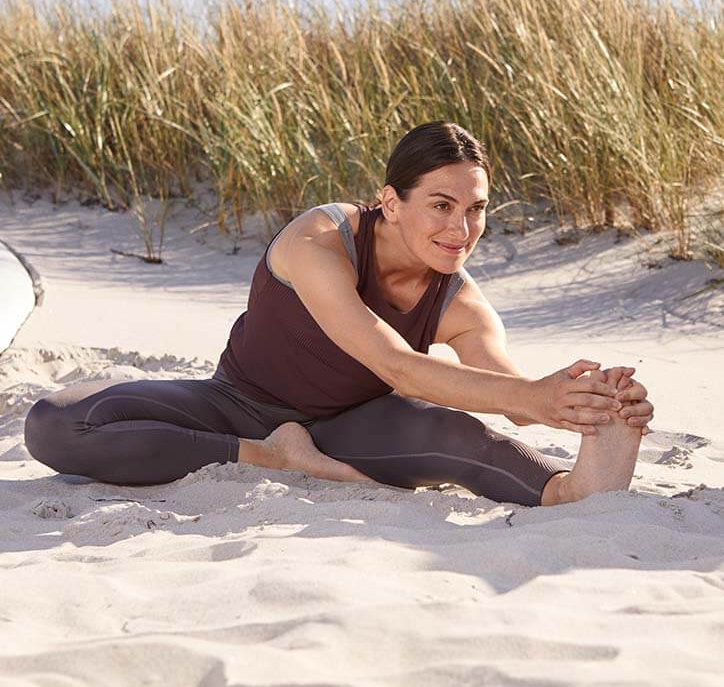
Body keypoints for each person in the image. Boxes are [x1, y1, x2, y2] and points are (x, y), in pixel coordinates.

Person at [24, 121, 654, 507]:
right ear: (391, 201)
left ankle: (580, 487)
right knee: (54, 425)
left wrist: (584, 403)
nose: (462, 229)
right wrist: (537, 398)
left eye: (477, 209)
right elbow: (395, 364)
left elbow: (511, 392)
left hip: (355, 428)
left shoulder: (459, 300)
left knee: (459, 434)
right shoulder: (321, 240)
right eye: (440, 205)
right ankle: (268, 454)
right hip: (236, 403)